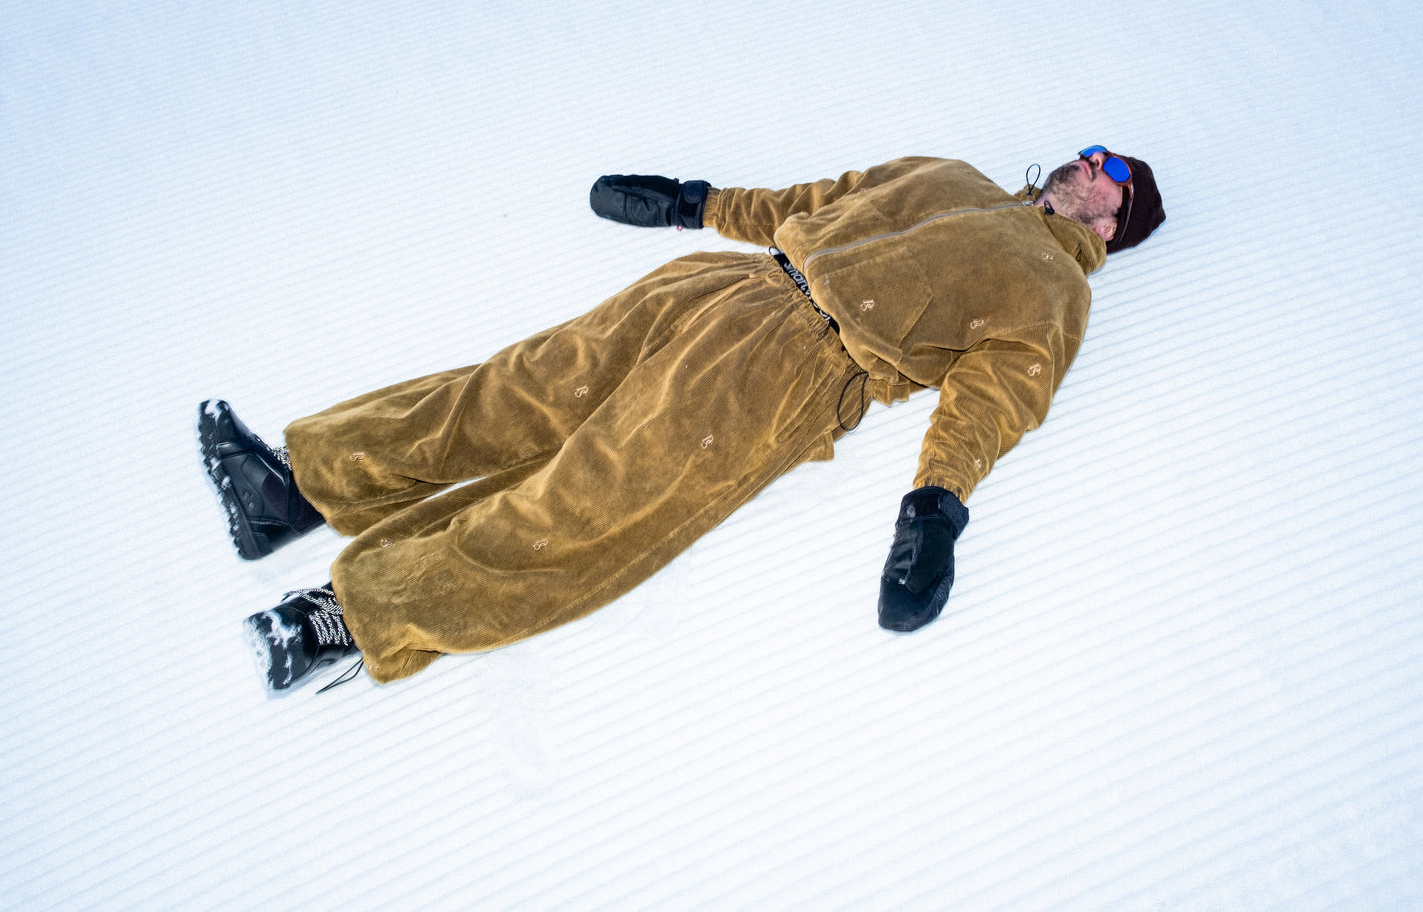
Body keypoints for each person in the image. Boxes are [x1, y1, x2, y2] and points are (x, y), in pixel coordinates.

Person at [201, 147, 1165, 694]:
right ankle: (290, 487)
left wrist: (935, 509)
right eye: (1091, 151)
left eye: (1111, 167)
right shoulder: (951, 174)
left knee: (587, 505)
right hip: (730, 284)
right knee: (519, 388)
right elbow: (812, 200)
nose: (1090, 158)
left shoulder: (1052, 292)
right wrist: (693, 204)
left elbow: (991, 404)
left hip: (794, 372)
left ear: (1113, 221)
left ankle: (343, 622)